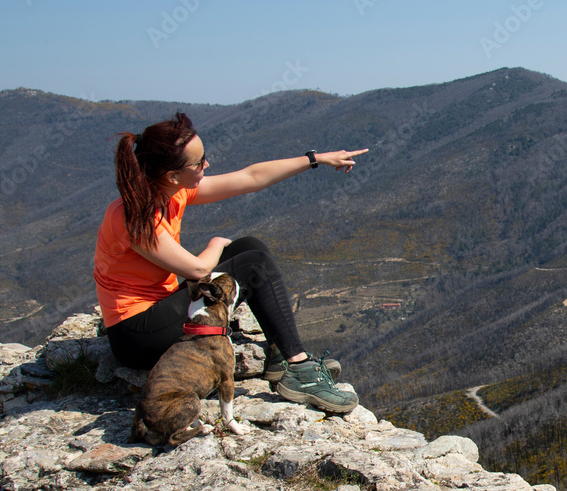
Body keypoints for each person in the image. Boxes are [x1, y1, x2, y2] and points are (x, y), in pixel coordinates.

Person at [93, 111, 367, 413]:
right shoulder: (133, 217)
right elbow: (197, 270)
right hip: (137, 336)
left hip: (163, 307)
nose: (206, 165)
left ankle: (280, 353)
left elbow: (250, 178)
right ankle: (299, 369)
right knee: (253, 265)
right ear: (172, 175)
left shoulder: (170, 191)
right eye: (199, 163)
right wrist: (215, 243)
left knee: (250, 247)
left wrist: (316, 159)